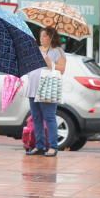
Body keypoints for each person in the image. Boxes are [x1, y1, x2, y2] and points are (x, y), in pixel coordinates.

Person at [25, 26, 66, 157]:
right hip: (33, 88)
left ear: (51, 37)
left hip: (47, 89)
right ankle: (40, 145)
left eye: (45, 36)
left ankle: (53, 146)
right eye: (41, 36)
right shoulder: (36, 50)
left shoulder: (57, 51)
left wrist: (51, 64)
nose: (41, 39)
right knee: (36, 118)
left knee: (49, 117)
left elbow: (62, 69)